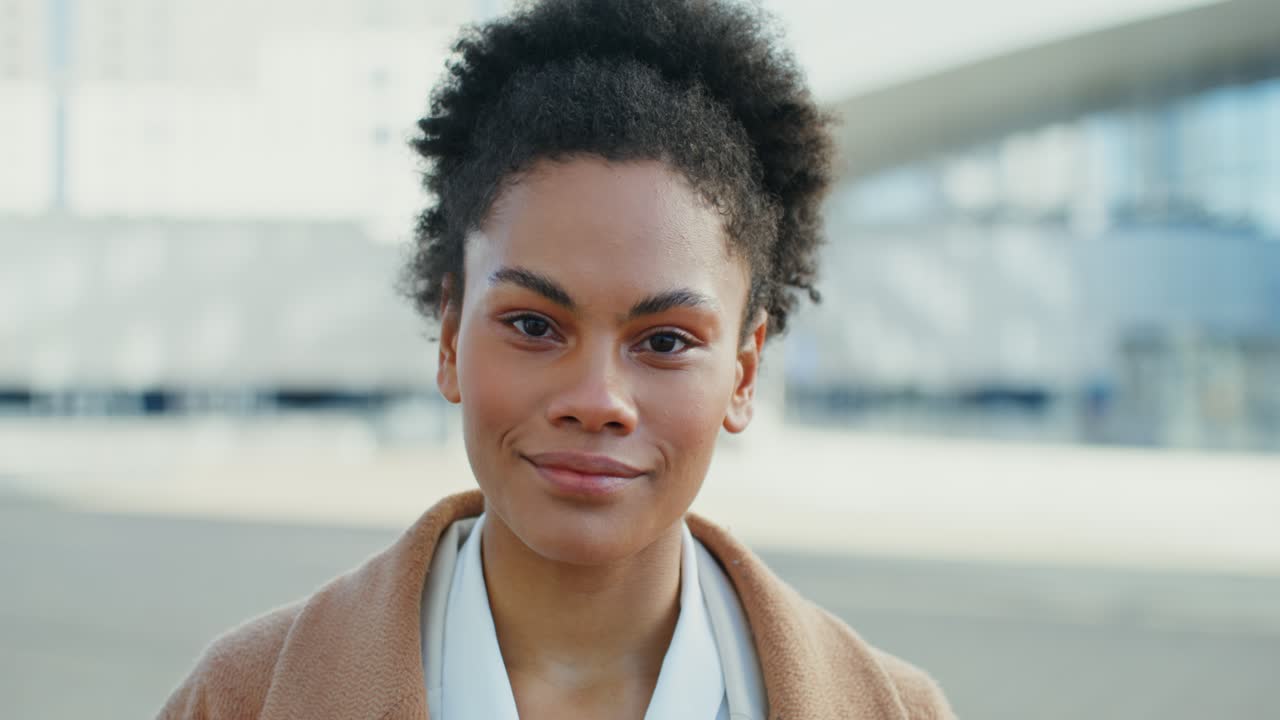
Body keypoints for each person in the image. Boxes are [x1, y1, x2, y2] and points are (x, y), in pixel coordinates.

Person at [159, 0, 955, 718]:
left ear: (744, 372)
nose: (597, 397)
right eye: (535, 325)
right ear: (448, 338)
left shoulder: (896, 710)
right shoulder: (241, 698)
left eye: (666, 341)